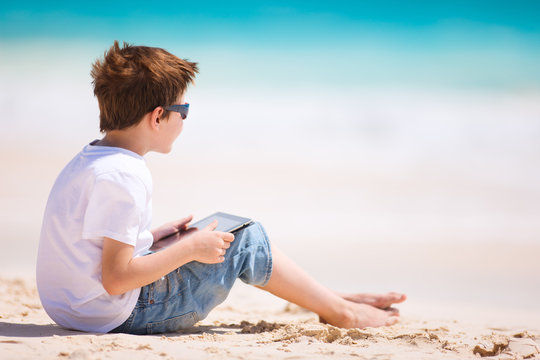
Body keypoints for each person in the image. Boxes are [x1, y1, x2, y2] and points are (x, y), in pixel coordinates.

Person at [36, 41, 406, 334]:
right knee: (245, 238)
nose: (185, 119)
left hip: (75, 307)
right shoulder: (126, 177)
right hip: (118, 314)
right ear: (158, 116)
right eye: (184, 110)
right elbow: (116, 279)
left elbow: (93, 244)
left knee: (217, 236)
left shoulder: (92, 160)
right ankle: (338, 310)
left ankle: (325, 297)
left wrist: (153, 239)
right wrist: (189, 249)